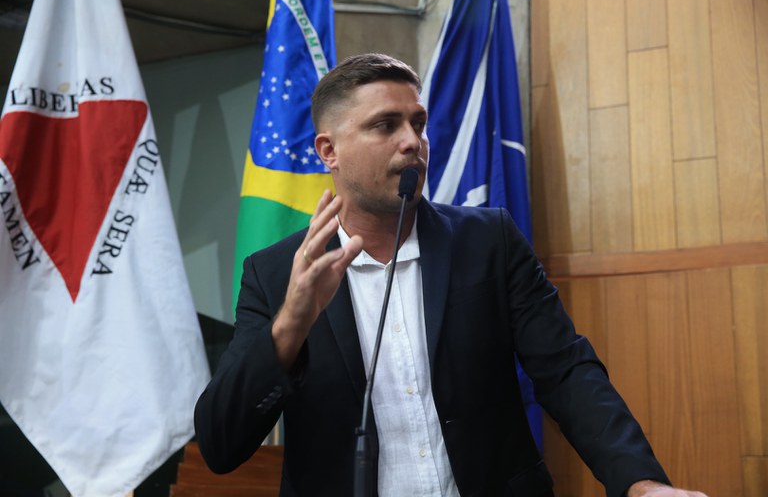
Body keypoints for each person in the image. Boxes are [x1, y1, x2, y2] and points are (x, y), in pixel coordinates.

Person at [194, 53, 707, 497]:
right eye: (385, 125)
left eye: (418, 123)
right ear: (328, 151)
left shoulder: (488, 242)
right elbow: (221, 444)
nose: (412, 142)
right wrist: (291, 325)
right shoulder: (275, 275)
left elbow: (567, 372)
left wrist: (640, 482)